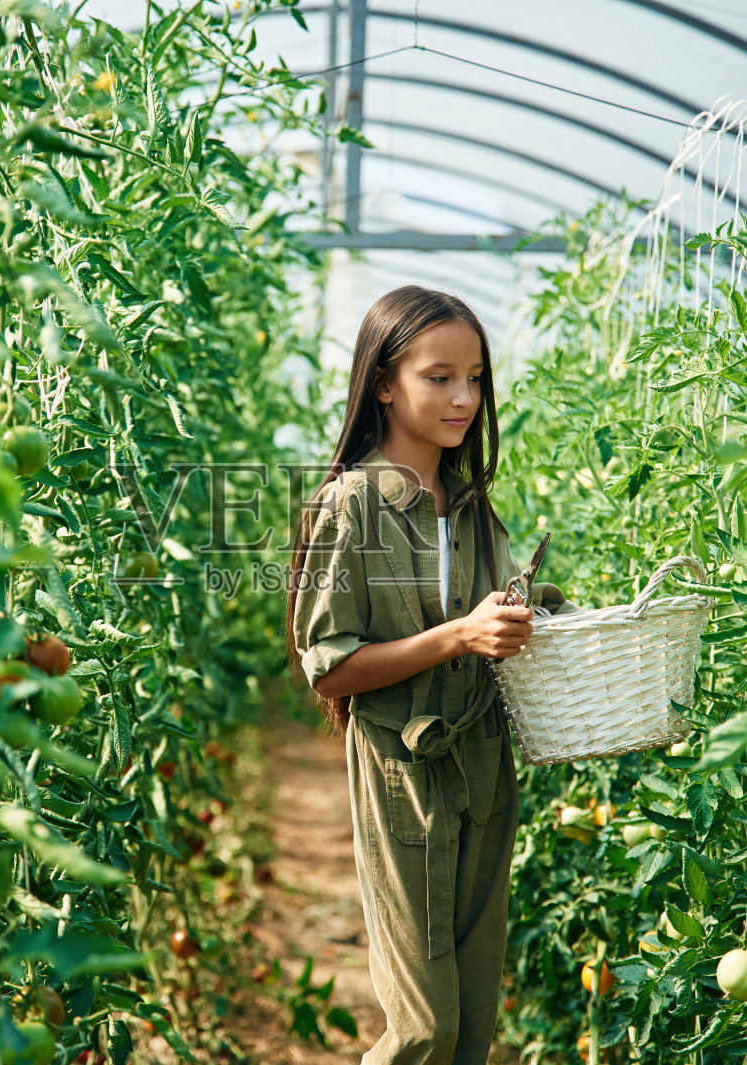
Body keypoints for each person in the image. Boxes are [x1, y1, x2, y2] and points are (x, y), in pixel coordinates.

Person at [285, 284, 542, 1065]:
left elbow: (483, 628)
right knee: (423, 1030)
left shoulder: (470, 508)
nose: (464, 396)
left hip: (484, 765)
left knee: (468, 1027)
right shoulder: (352, 507)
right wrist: (460, 635)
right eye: (439, 376)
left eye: (475, 377)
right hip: (404, 770)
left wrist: (527, 618)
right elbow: (330, 668)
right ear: (385, 382)